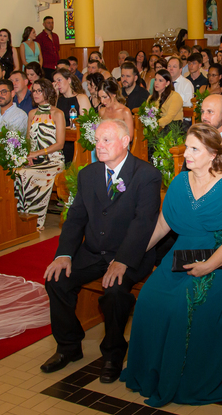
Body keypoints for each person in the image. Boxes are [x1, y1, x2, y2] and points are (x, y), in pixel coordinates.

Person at [122, 124, 222, 406]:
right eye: (187, 147)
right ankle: (150, 371)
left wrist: (208, 266)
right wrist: (131, 253)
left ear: (213, 153)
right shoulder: (181, 182)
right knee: (149, 298)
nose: (186, 154)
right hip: (183, 252)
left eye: (194, 149)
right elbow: (163, 224)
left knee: (183, 304)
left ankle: (180, 378)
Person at [42, 120, 162, 381]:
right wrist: (64, 254)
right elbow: (75, 218)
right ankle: (69, 346)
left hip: (131, 253)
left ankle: (113, 353)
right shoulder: (89, 174)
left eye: (106, 140)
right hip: (94, 251)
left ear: (125, 141)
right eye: (97, 140)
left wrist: (123, 261)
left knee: (115, 292)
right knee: (56, 280)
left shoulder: (146, 175)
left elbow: (144, 223)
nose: (99, 145)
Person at [13, 79, 67, 230]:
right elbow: (28, 140)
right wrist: (29, 155)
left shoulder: (57, 113)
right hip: (36, 158)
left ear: (47, 92)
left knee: (28, 174)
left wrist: (38, 153)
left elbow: (60, 144)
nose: (35, 94)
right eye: (33, 91)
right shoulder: (31, 113)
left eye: (39, 91)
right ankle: (22, 217)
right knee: (17, 172)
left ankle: (36, 219)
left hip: (53, 159)